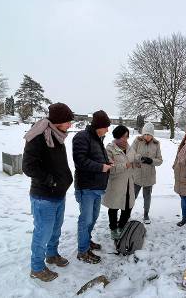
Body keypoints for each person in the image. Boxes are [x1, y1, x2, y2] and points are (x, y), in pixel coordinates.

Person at [22, 102, 74, 282]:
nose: (70, 125)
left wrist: (63, 181)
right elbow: (28, 167)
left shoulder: (57, 136)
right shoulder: (38, 137)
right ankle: (36, 268)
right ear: (58, 121)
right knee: (42, 233)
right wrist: (51, 180)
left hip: (58, 194)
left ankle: (52, 255)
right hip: (44, 196)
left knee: (55, 230)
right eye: (68, 121)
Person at [72, 110, 112, 264]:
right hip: (87, 187)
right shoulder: (82, 137)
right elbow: (80, 161)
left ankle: (87, 242)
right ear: (98, 126)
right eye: (106, 127)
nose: (108, 130)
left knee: (93, 218)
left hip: (97, 187)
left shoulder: (97, 139)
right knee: (85, 219)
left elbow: (96, 158)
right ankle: (82, 251)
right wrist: (101, 167)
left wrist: (107, 164)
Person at [102, 125, 136, 240]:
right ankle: (113, 229)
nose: (125, 140)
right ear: (116, 137)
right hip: (116, 184)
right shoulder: (109, 149)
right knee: (114, 208)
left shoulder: (129, 147)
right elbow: (110, 168)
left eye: (127, 137)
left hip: (128, 183)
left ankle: (122, 226)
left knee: (128, 207)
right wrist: (125, 165)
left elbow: (134, 157)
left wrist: (138, 160)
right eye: (123, 137)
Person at [131, 122, 163, 224]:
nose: (147, 136)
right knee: (132, 196)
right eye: (145, 134)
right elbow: (130, 153)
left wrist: (151, 161)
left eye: (149, 134)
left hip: (149, 176)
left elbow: (160, 160)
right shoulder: (137, 141)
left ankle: (146, 214)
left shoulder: (156, 144)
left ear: (152, 135)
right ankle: (127, 213)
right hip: (137, 175)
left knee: (147, 197)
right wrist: (139, 157)